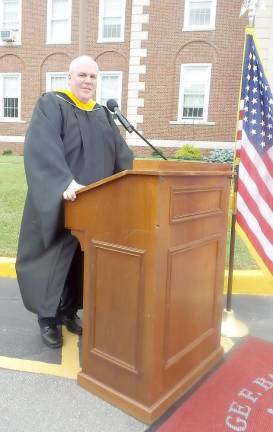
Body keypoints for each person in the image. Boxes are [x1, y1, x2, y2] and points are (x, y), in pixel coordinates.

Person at [16, 55, 133, 349]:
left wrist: (132, 177)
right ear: (69, 77)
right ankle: (47, 319)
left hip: (95, 205)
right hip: (62, 199)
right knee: (54, 259)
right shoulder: (52, 104)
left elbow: (121, 154)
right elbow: (41, 147)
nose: (87, 81)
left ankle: (68, 312)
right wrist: (65, 183)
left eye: (93, 77)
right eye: (82, 75)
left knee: (81, 262)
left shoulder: (102, 113)